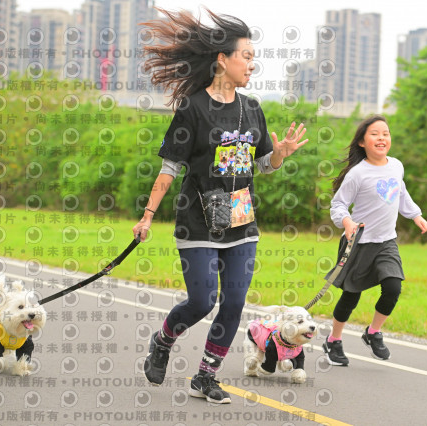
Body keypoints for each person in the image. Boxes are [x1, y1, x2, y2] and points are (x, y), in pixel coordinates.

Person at [132, 8, 308, 404]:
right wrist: (147, 217)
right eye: (246, 56)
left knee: (234, 303)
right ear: (222, 60)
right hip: (197, 221)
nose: (252, 64)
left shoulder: (252, 108)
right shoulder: (192, 108)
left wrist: (279, 153)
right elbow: (170, 168)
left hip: (241, 222)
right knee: (201, 301)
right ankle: (163, 340)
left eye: (253, 57)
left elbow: (262, 165)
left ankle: (206, 376)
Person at [322, 115, 427, 365]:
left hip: (386, 241)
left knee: (393, 287)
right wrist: (347, 222)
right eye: (375, 134)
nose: (381, 138)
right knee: (351, 295)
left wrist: (416, 215)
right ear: (362, 142)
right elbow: (338, 204)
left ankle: (373, 332)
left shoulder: (396, 166)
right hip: (358, 243)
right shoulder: (357, 174)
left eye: (385, 133)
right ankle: (333, 340)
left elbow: (401, 193)